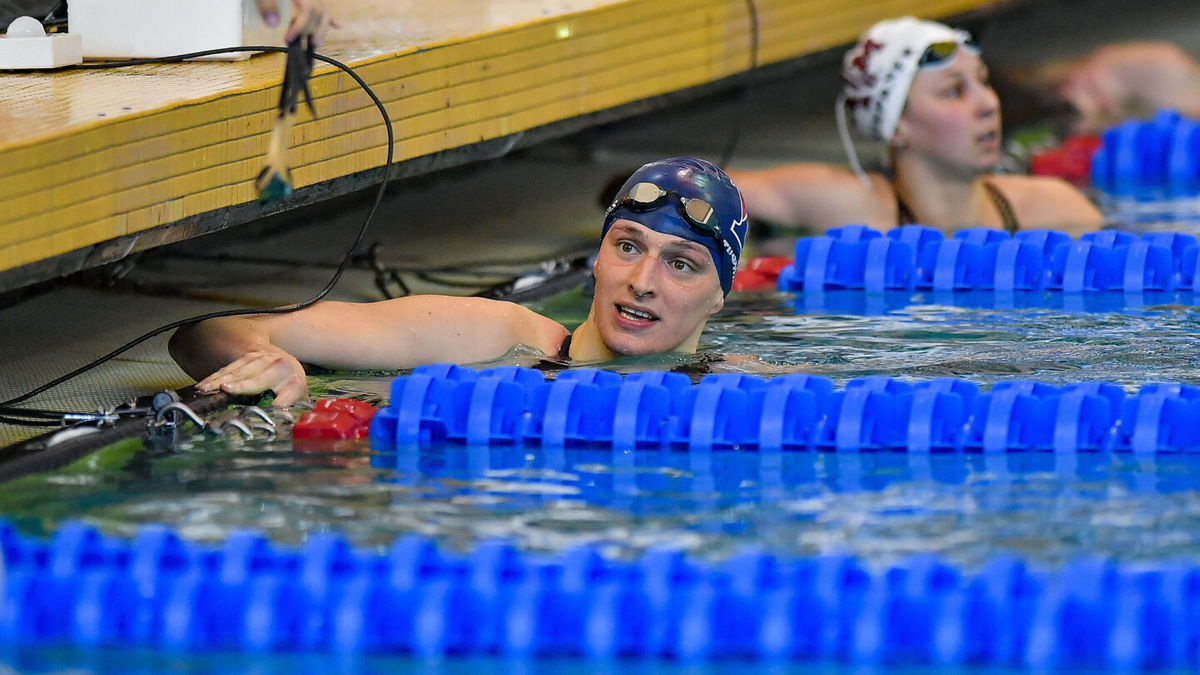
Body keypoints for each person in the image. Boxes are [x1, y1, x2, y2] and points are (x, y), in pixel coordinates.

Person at [169, 157, 750, 406]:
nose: (642, 281)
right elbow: (204, 334)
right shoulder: (489, 337)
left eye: (681, 263)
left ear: (720, 295)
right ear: (595, 260)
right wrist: (261, 358)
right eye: (628, 247)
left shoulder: (751, 395)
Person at [728, 17, 1104, 237]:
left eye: (983, 81)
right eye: (954, 91)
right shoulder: (855, 208)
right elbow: (696, 183)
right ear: (897, 127)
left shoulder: (1051, 208)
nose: (988, 103)